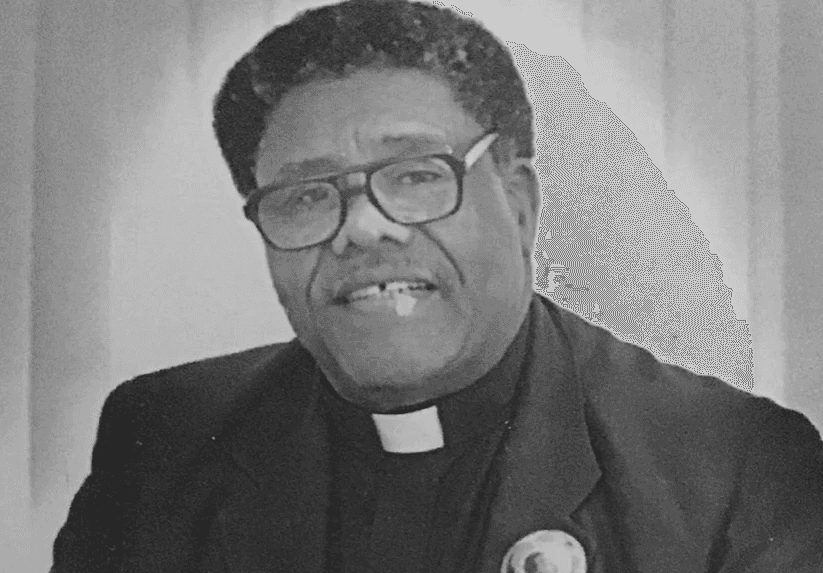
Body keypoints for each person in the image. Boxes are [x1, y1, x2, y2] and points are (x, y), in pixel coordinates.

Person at [51, 0, 823, 572]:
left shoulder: (734, 468)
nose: (362, 228)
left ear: (518, 204)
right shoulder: (162, 439)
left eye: (416, 175)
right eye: (307, 194)